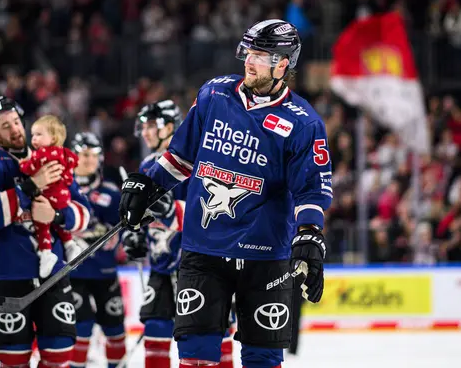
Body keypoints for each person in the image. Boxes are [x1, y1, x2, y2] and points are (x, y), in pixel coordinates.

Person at [118, 19, 333, 368]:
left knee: (262, 359)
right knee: (196, 357)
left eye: (261, 55)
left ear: (283, 64)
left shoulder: (303, 122)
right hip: (205, 249)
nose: (249, 60)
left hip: (265, 256)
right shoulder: (214, 94)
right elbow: (180, 157)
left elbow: (311, 188)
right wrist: (149, 183)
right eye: (249, 51)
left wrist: (309, 234)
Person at [0, 96, 91, 368]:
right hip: (8, 274)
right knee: (13, 359)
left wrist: (57, 215)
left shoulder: (50, 155)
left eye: (16, 121)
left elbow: (84, 215)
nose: (15, 129)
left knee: (60, 353)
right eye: (5, 126)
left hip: (52, 274)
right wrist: (30, 186)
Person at [123, 100, 235, 368]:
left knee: (213, 334)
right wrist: (136, 233)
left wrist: (170, 210)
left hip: (201, 266)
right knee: (155, 330)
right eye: (144, 127)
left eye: (152, 126)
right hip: (163, 264)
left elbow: (212, 212)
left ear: (170, 127)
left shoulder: (200, 159)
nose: (146, 133)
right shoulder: (149, 163)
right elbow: (150, 217)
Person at [67, 132, 126, 368]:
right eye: (83, 154)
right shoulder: (62, 190)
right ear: (73, 156)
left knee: (115, 329)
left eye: (93, 155)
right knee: (80, 329)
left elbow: (122, 231)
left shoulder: (112, 193)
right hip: (72, 275)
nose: (89, 160)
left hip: (105, 273)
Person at [19, 115, 84, 278]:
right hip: (63, 197)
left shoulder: (41, 154)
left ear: (53, 137)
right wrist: (67, 179)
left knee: (42, 225)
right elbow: (73, 162)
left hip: (47, 197)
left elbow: (29, 168)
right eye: (32, 135)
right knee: (61, 224)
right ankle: (70, 245)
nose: (33, 139)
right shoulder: (65, 153)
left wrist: (22, 165)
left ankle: (46, 253)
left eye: (38, 135)